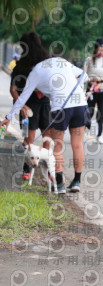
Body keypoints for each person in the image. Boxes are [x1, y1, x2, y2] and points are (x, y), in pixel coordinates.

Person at [1, 33, 90, 194]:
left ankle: (60, 184)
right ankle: (76, 181)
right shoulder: (61, 61)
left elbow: (22, 98)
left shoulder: (36, 71)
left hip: (61, 108)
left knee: (57, 145)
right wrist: (72, 88)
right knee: (77, 144)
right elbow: (84, 75)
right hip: (80, 104)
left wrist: (8, 117)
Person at [9, 33, 52, 180]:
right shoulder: (21, 66)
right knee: (29, 138)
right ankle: (25, 167)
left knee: (47, 136)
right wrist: (22, 106)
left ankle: (47, 168)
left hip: (44, 102)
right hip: (28, 105)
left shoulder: (46, 63)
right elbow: (13, 89)